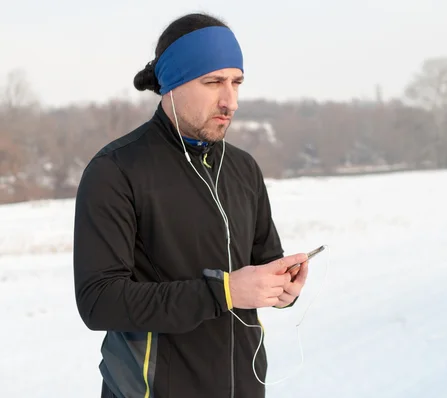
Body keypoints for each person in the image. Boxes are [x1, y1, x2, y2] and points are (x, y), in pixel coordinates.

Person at [73, 12, 310, 398]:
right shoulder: (115, 170)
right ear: (172, 83)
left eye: (236, 82)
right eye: (213, 82)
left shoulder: (243, 168)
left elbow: (263, 259)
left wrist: (283, 287)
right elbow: (98, 300)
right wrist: (225, 292)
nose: (229, 101)